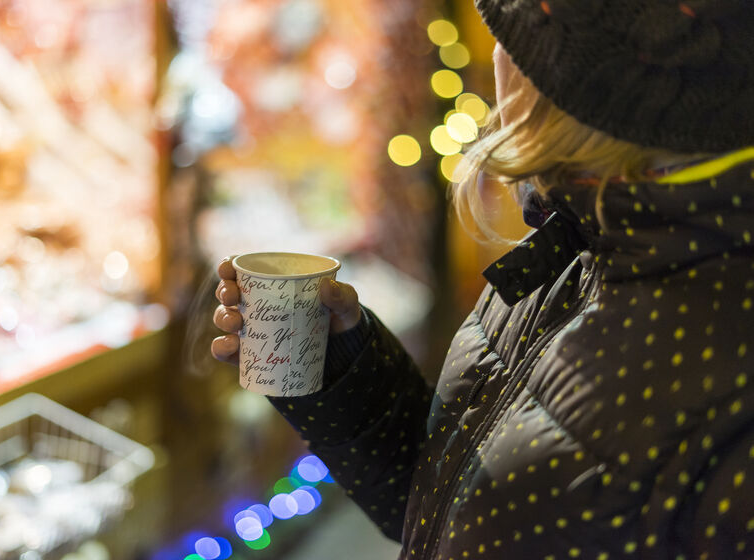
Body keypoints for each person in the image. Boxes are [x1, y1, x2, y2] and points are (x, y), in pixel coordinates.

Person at [212, 0, 754, 557]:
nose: (496, 58)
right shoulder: (573, 249)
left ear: (572, 84)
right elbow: (445, 505)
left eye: (511, 40)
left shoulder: (727, 381)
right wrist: (340, 364)